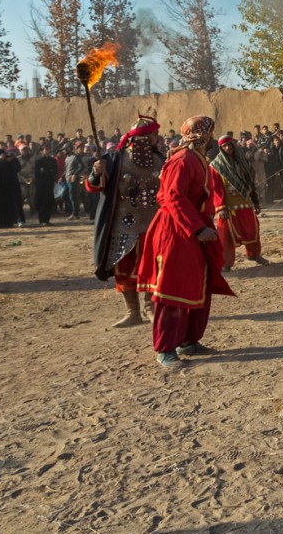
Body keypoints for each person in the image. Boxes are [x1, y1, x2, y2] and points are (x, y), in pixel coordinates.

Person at [136, 115, 234, 370]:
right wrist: (197, 228)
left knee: (198, 283)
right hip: (176, 231)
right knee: (174, 288)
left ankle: (188, 340)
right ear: (205, 136)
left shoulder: (198, 159)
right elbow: (173, 198)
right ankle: (166, 347)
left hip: (193, 229)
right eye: (211, 133)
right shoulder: (182, 161)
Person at [86, 115, 166, 327]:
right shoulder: (114, 160)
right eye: (154, 134)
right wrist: (96, 173)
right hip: (123, 225)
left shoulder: (161, 159)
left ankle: (151, 306)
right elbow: (95, 186)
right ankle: (133, 312)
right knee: (123, 269)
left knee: (153, 268)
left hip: (153, 225)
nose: (157, 138)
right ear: (142, 137)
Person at [210, 135, 266, 268]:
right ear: (221, 148)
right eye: (225, 146)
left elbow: (249, 183)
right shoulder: (216, 166)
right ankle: (226, 263)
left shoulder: (242, 162)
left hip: (245, 203)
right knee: (226, 236)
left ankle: (254, 254)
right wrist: (221, 207)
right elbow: (216, 188)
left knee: (252, 229)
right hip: (228, 207)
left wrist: (255, 201)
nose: (228, 148)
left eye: (230, 145)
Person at [0, 149, 25, 228]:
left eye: (4, 154)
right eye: (1, 154)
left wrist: (12, 160)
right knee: (2, 205)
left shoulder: (11, 162)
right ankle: (3, 222)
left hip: (13, 187)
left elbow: (17, 168)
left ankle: (17, 220)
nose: (3, 156)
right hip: (1, 188)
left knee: (15, 203)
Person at [32, 145, 59, 226]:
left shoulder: (53, 160)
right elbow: (37, 173)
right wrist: (47, 172)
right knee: (42, 202)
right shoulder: (39, 161)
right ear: (42, 151)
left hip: (50, 183)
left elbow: (54, 171)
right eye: (45, 149)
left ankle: (47, 220)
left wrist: (46, 172)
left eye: (48, 149)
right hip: (41, 184)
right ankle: (42, 220)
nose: (47, 151)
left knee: (49, 202)